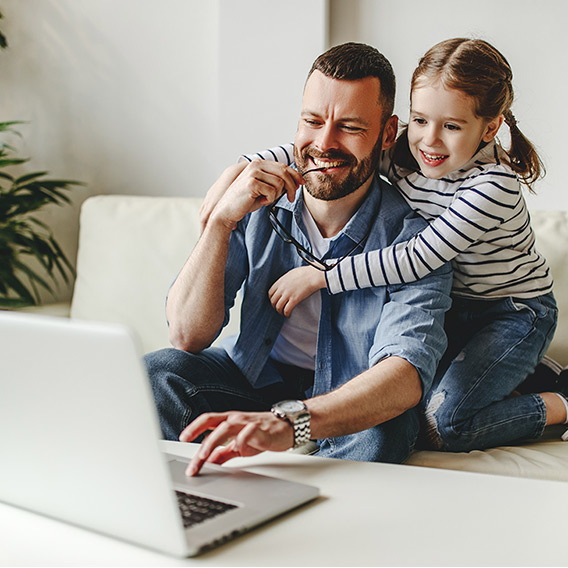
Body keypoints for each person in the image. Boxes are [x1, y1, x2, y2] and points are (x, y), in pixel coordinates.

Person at [232, 38, 568, 449]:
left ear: (491, 127)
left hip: (511, 314)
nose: (429, 140)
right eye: (420, 120)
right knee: (397, 399)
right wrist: (240, 172)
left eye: (452, 126)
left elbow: (419, 257)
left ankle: (561, 399)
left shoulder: (493, 186)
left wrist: (321, 276)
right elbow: (323, 153)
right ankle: (519, 376)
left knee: (441, 425)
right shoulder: (409, 151)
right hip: (455, 305)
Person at [144, 42, 453, 476]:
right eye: (312, 121)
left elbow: (402, 376)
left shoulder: (419, 240)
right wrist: (219, 223)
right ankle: (203, 505)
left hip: (349, 401)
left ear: (386, 134)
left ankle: (308, 521)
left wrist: (293, 422)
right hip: (256, 378)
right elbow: (188, 335)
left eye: (349, 127)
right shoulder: (256, 201)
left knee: (387, 428)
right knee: (158, 373)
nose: (324, 143)